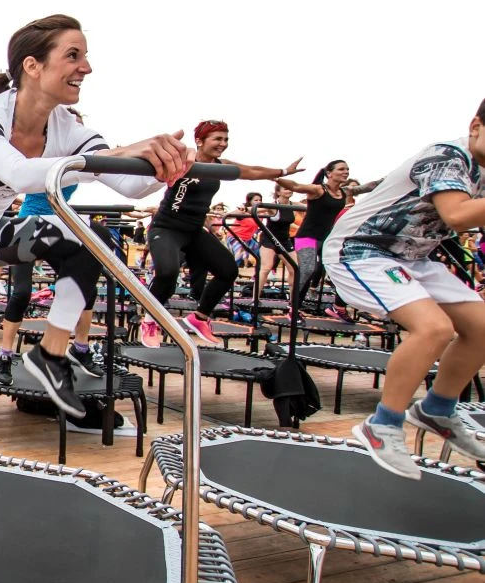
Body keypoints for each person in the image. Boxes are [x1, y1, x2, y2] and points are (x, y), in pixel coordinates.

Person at [0, 14, 190, 413]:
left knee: (93, 238)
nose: (86, 68)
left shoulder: (67, 129)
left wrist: (165, 168)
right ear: (32, 66)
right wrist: (120, 153)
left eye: (85, 57)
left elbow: (129, 185)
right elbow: (19, 173)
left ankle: (51, 352)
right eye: (73, 56)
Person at [324, 99, 485, 478]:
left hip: (414, 257)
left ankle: (438, 409)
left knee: (481, 327)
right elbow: (457, 215)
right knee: (434, 328)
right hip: (361, 249)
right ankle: (382, 424)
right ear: (475, 126)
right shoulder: (447, 157)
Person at [137, 120, 301, 347]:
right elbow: (147, 164)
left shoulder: (221, 166)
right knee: (167, 273)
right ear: (199, 141)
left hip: (194, 231)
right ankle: (149, 321)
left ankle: (199, 318)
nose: (223, 143)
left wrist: (283, 171)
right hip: (167, 228)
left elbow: (251, 171)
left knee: (228, 270)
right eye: (217, 139)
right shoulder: (184, 160)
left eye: (226, 139)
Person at [274, 160, 381, 322]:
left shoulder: (345, 191)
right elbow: (295, 186)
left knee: (345, 269)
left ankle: (338, 308)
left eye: (347, 169)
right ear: (329, 173)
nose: (346, 172)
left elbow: (369, 186)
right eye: (341, 169)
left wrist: (393, 178)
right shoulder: (318, 190)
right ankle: (293, 309)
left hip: (327, 238)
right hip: (307, 237)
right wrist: (276, 175)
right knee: (307, 270)